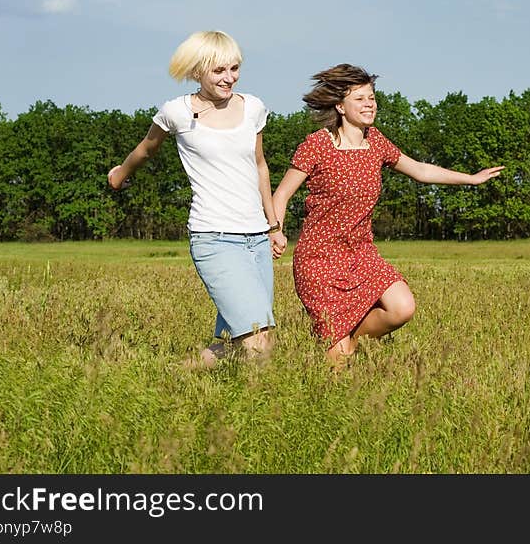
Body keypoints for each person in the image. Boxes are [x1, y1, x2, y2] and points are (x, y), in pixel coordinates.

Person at [271, 63, 504, 365]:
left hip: (361, 253)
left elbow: (420, 170)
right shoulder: (317, 144)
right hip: (319, 259)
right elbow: (282, 193)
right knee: (336, 369)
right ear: (340, 106)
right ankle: (338, 350)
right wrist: (275, 230)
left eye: (372, 97)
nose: (369, 104)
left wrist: (471, 178)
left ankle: (350, 342)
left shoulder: (376, 141)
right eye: (360, 98)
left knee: (401, 307)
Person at [107, 30, 287, 368]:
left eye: (234, 68)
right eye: (219, 71)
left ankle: (175, 376)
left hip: (256, 240)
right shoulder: (176, 112)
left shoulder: (253, 108)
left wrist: (273, 225)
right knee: (258, 340)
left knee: (246, 343)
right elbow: (147, 149)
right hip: (214, 237)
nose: (229, 78)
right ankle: (255, 409)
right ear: (196, 72)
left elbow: (260, 166)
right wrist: (120, 173)